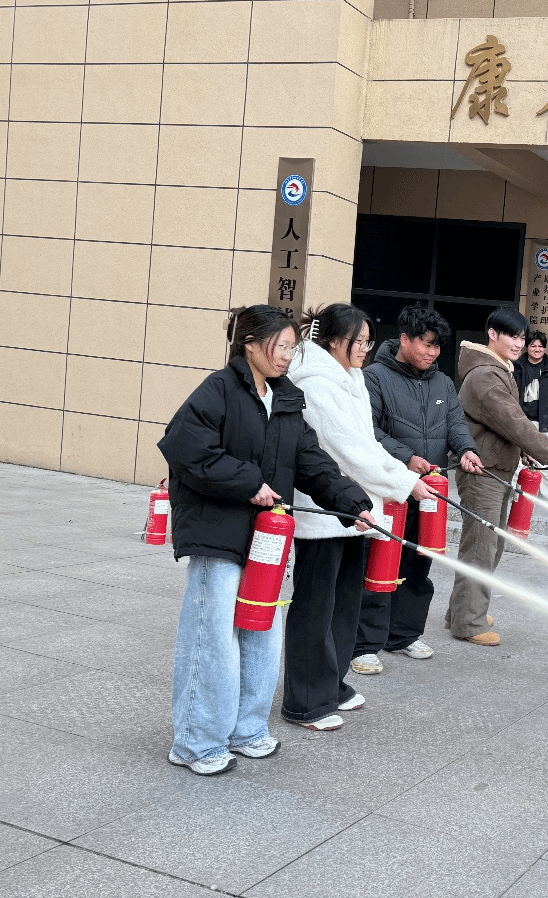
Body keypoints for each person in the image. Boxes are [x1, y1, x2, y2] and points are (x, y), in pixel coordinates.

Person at [158, 305, 372, 775]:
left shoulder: (287, 399)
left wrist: (353, 504)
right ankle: (196, 742)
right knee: (212, 637)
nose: (286, 356)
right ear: (250, 344)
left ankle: (247, 728)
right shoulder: (219, 390)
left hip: (266, 539)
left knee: (262, 632)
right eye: (279, 346)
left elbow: (311, 461)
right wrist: (248, 483)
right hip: (218, 532)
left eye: (292, 348)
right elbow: (183, 445)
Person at [284, 305, 441, 730]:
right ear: (333, 341)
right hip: (323, 513)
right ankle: (305, 700)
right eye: (359, 341)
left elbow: (370, 445)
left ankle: (331, 684)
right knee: (315, 607)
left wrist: (401, 479)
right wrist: (403, 484)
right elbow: (347, 451)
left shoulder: (349, 379)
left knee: (344, 603)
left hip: (356, 512)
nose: (366, 349)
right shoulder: (316, 385)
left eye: (368, 341)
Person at [351, 304, 482, 676]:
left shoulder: (442, 383)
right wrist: (406, 457)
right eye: (425, 344)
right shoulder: (374, 377)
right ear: (404, 340)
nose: (432, 352)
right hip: (389, 488)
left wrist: (467, 449)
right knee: (379, 564)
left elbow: (455, 422)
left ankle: (403, 635)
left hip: (429, 492)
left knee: (417, 564)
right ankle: (365, 644)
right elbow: (368, 431)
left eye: (438, 347)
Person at [445, 308, 548, 647]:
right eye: (513, 336)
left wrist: (523, 452)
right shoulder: (486, 375)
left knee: (487, 544)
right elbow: (514, 422)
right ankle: (469, 623)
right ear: (492, 334)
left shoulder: (498, 369)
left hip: (496, 468)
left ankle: (463, 610)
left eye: (522, 337)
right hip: (482, 472)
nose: (519, 343)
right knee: (482, 547)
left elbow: (503, 426)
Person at [513, 330, 548, 502]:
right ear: (527, 347)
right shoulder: (517, 366)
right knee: (516, 459)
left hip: (543, 421)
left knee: (547, 458)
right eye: (533, 346)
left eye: (540, 346)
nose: (537, 349)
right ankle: (514, 492)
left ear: (545, 349)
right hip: (520, 420)